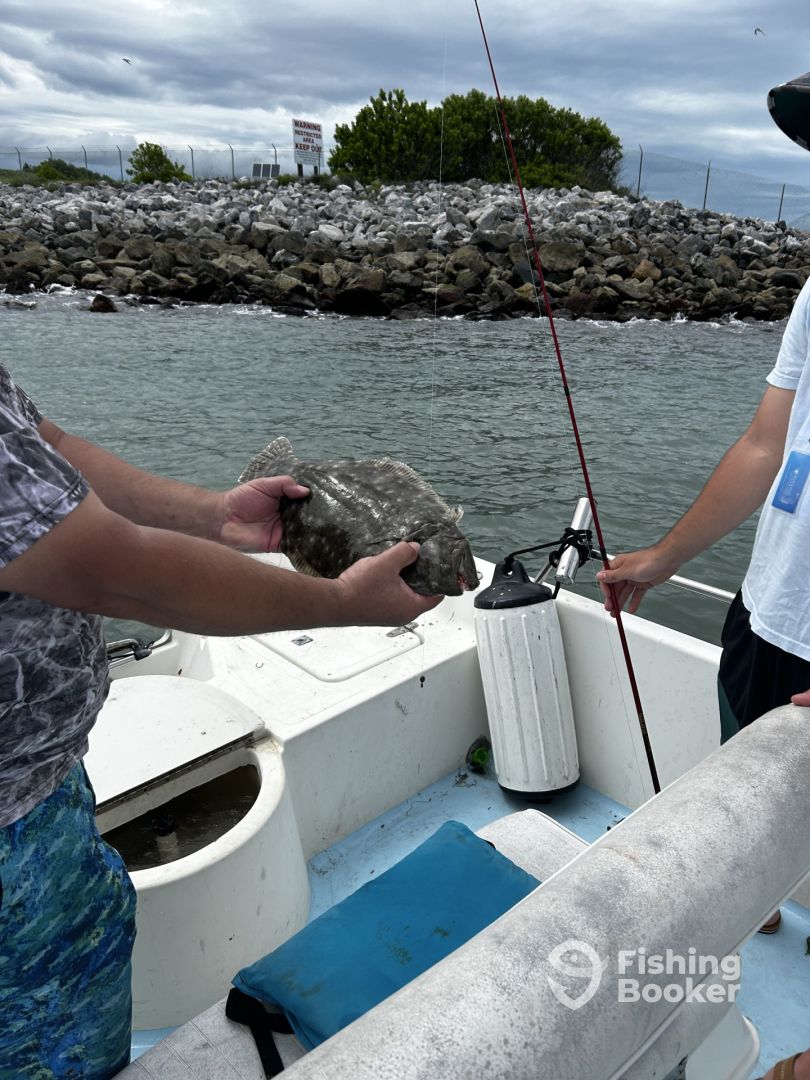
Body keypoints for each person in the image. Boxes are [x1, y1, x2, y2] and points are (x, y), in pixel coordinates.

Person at [0, 360, 442, 1079]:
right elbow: (116, 572)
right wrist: (342, 603)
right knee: (48, 1039)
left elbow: (49, 449)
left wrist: (213, 515)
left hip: (39, 782)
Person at [598, 71, 810, 1080]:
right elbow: (766, 445)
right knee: (743, 822)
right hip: (767, 617)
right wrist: (665, 556)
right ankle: (760, 897)